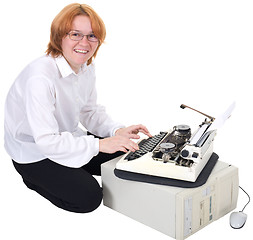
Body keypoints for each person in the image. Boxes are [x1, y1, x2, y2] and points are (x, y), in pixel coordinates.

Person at [4, 3, 152, 213]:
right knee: (89, 198)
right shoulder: (40, 77)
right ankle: (33, 179)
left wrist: (116, 131)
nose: (85, 42)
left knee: (129, 154)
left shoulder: (86, 67)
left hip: (67, 138)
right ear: (59, 36)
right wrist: (99, 145)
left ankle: (74, 164)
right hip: (34, 152)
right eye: (75, 34)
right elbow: (46, 141)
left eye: (92, 36)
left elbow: (89, 111)